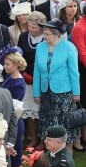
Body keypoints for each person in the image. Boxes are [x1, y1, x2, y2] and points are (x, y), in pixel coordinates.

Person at [34, 19, 80, 152]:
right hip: (46, 92)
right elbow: (37, 71)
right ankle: (50, 152)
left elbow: (74, 72)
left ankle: (68, 153)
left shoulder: (68, 47)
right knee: (47, 121)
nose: (45, 36)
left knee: (65, 123)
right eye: (44, 33)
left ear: (57, 34)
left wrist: (76, 92)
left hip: (64, 93)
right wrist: (36, 92)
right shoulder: (40, 47)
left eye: (48, 34)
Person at [0, 45, 27, 167]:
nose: (5, 66)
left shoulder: (18, 84)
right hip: (9, 121)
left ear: (16, 64)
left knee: (15, 162)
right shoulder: (11, 77)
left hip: (14, 123)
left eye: (7, 64)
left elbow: (14, 109)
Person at [18, 11, 46, 148]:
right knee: (30, 111)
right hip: (27, 80)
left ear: (41, 27)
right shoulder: (23, 37)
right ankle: (33, 139)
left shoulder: (46, 38)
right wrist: (25, 69)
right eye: (29, 26)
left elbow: (44, 61)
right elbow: (19, 57)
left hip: (42, 80)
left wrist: (28, 66)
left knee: (42, 111)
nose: (30, 29)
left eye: (34, 27)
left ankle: (43, 140)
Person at [71, 4, 86, 150]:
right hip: (83, 71)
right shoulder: (79, 28)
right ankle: (82, 137)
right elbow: (82, 54)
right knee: (84, 105)